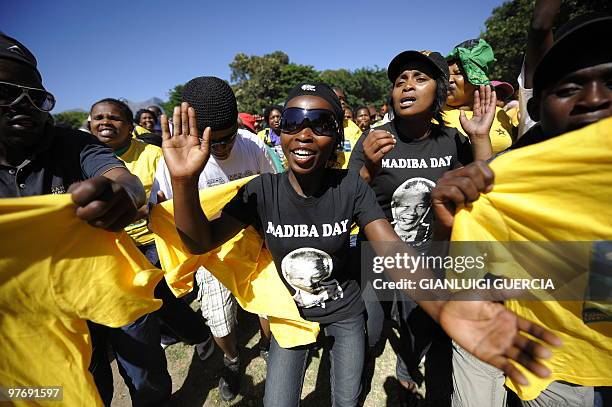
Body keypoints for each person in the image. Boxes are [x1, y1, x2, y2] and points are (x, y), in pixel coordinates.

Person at [161, 81, 560, 407]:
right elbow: (200, 243)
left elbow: (393, 253)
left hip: (346, 314)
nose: (304, 133)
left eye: (320, 123)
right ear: (278, 133)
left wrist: (449, 310)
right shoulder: (260, 191)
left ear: (337, 135)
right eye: (294, 121)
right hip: (288, 317)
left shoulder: (350, 187)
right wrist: (183, 181)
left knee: (348, 399)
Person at [431, 13, 612, 407]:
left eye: (610, 80)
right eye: (569, 87)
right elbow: (464, 274)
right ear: (539, 108)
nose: (596, 98)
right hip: (558, 369)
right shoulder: (510, 172)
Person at [0, 33, 159, 407]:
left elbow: (123, 177)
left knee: (145, 373)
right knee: (82, 380)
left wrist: (125, 194)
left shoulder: (73, 143)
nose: (24, 105)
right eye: (6, 92)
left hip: (107, 282)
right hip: (32, 312)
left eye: (35, 96)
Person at [348, 50, 494, 404]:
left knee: (420, 330)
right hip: (379, 259)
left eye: (419, 79)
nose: (407, 86)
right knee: (369, 332)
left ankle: (407, 366)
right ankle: (364, 369)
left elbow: (488, 191)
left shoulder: (451, 141)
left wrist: (478, 138)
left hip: (430, 261)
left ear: (439, 92)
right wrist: (367, 166)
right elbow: (346, 202)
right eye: (400, 81)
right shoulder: (373, 140)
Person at [150, 76, 276, 401]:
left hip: (253, 245)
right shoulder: (174, 160)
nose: (222, 148)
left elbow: (271, 192)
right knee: (220, 321)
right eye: (213, 142)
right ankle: (232, 360)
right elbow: (181, 226)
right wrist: (184, 179)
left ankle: (266, 345)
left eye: (228, 138)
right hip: (208, 254)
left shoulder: (253, 146)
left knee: (269, 304)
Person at [444, 39, 517, 153]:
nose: (449, 80)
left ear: (478, 82)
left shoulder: (499, 114)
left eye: (459, 73)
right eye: (446, 75)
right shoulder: (431, 115)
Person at [331, 86, 363, 169]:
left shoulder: (353, 128)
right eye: (339, 99)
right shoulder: (319, 124)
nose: (343, 102)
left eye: (343, 99)